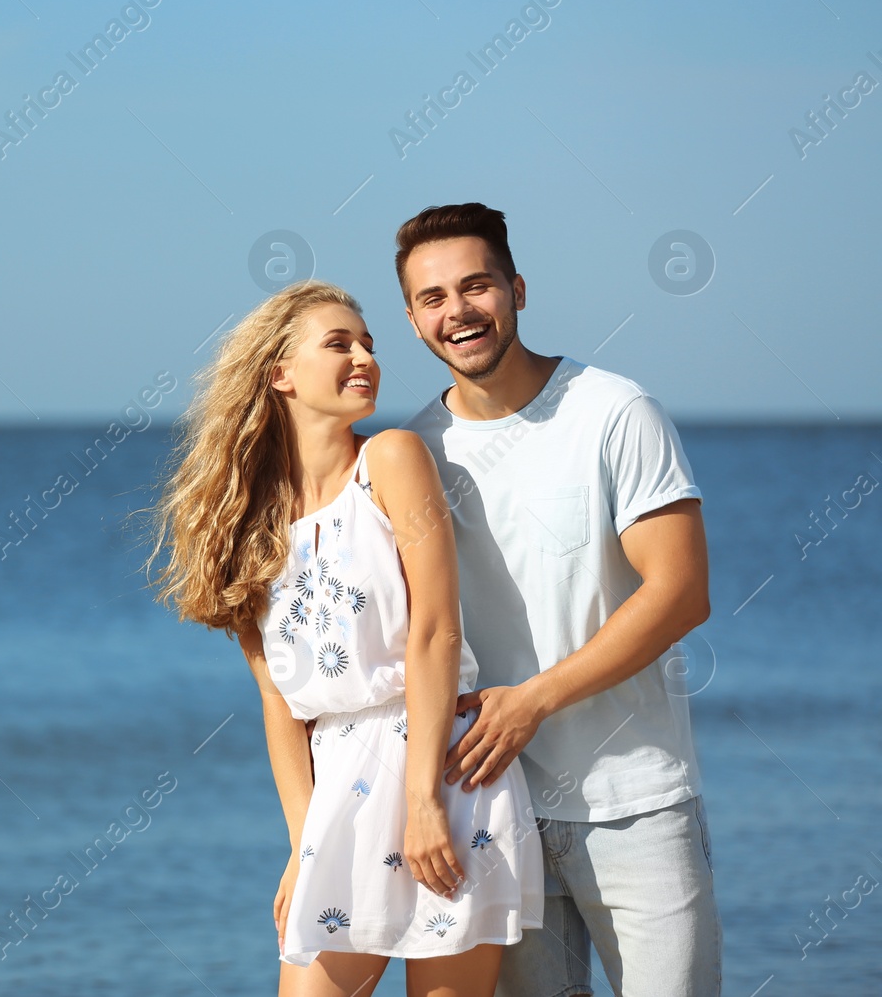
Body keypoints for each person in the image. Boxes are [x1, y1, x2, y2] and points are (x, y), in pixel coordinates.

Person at [142, 280, 542, 997]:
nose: (365, 357)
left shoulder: (390, 459)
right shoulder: (245, 524)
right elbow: (277, 703)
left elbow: (433, 632)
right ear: (280, 374)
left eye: (369, 344)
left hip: (442, 774)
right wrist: (304, 844)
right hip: (338, 788)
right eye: (339, 343)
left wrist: (422, 800)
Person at [395, 203, 722, 996]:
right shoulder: (412, 452)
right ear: (412, 320)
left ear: (518, 288)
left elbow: (680, 590)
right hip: (494, 812)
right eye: (433, 297)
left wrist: (533, 700)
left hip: (636, 803)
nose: (458, 311)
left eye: (477, 286)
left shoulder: (612, 411)